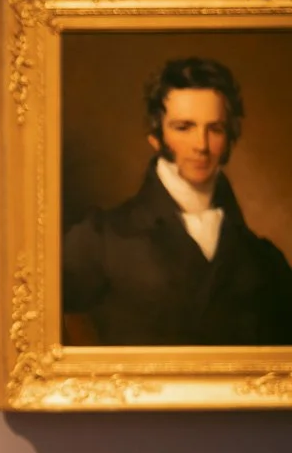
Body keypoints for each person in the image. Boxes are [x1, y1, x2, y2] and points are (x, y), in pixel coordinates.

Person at [62, 56, 292, 346]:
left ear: (230, 137)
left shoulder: (265, 260)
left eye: (215, 129)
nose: (201, 145)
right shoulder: (100, 239)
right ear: (155, 135)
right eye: (184, 127)